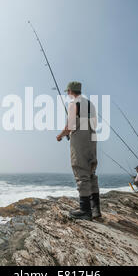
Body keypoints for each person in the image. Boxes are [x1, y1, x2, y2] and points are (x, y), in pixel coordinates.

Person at [57, 81, 100, 220]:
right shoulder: (90, 104)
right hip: (92, 139)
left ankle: (85, 210)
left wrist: (60, 136)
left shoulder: (73, 104)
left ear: (70, 91)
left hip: (80, 141)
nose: (67, 94)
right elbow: (94, 124)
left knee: (81, 170)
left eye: (67, 91)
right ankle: (96, 210)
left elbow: (70, 125)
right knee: (91, 172)